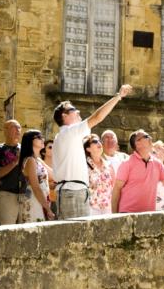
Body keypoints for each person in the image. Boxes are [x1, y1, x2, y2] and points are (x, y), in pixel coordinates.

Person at [52, 84, 133, 219]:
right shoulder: (69, 132)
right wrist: (118, 97)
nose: (78, 111)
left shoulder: (64, 136)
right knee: (76, 237)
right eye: (73, 109)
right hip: (72, 192)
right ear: (64, 116)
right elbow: (97, 117)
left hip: (74, 191)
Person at [111, 130, 164, 213]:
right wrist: (114, 215)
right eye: (146, 136)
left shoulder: (157, 164)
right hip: (127, 214)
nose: (151, 138)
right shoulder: (127, 163)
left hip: (149, 215)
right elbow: (116, 189)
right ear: (137, 143)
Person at [0, 120, 25, 225]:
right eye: (14, 127)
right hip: (7, 196)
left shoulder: (25, 150)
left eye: (19, 127)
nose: (18, 130)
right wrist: (15, 162)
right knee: (7, 232)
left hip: (26, 196)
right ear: (5, 131)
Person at [19, 130, 55, 222]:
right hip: (34, 201)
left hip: (41, 200)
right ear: (30, 141)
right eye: (38, 137)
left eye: (42, 137)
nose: (42, 139)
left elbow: (54, 175)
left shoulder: (38, 160)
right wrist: (48, 209)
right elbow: (35, 187)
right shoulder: (30, 160)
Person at [84, 134, 114, 215]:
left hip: (108, 208)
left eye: (99, 141)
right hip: (91, 208)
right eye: (94, 141)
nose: (99, 143)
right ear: (88, 148)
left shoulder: (109, 165)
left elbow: (114, 187)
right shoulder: (84, 166)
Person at [40, 139, 57, 215]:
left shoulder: (59, 166)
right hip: (43, 201)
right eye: (50, 147)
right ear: (43, 152)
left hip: (57, 200)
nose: (53, 149)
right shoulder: (40, 165)